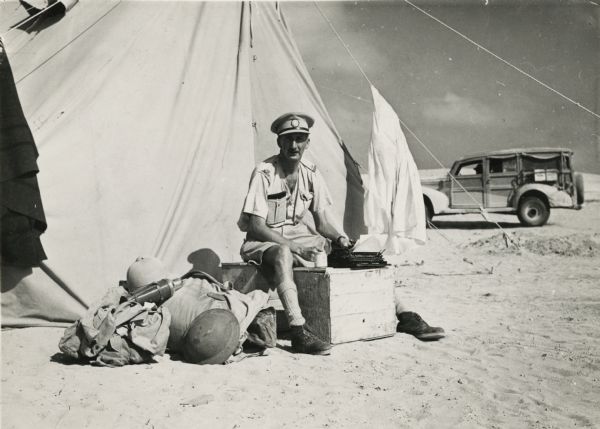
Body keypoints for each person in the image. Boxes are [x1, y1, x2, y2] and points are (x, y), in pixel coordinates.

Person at [238, 112, 444, 356]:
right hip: (262, 243)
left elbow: (322, 222)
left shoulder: (311, 173)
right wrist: (295, 247)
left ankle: (404, 313)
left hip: (300, 239)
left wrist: (340, 238)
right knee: (284, 252)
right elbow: (257, 226)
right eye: (288, 139)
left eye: (300, 138)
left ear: (307, 142)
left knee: (354, 253)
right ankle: (298, 331)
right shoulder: (264, 173)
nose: (294, 145)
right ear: (279, 142)